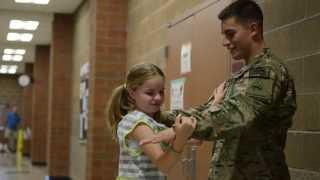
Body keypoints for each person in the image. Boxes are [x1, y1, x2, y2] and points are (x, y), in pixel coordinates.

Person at [141, 1, 297, 180]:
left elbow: (236, 114)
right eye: (224, 35)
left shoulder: (269, 71)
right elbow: (205, 112)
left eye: (231, 34)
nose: (225, 42)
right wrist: (157, 115)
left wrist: (184, 128)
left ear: (253, 29)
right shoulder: (238, 78)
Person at [106, 63, 225, 180]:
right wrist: (180, 137)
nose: (158, 97)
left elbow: (196, 139)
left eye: (161, 92)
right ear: (132, 93)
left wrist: (214, 105)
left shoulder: (153, 121)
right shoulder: (136, 122)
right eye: (150, 93)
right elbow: (164, 165)